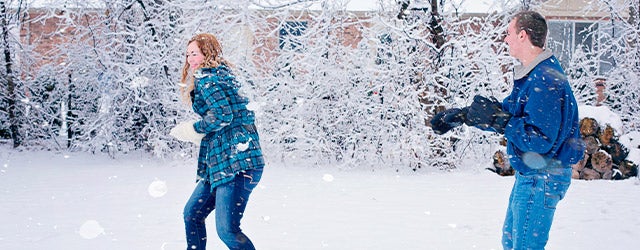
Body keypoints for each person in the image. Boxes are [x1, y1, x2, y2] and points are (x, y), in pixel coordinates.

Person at [430, 11, 585, 249]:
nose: (505, 39)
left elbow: (539, 140)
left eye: (509, 33)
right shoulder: (535, 73)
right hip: (533, 174)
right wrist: (463, 115)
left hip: (541, 177)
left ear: (523, 35)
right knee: (512, 242)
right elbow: (511, 112)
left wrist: (500, 121)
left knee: (522, 246)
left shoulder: (544, 79)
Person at [170, 33, 265, 250]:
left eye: (194, 53)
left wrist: (194, 129)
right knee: (192, 214)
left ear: (207, 52)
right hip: (226, 163)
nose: (190, 59)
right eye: (187, 54)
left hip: (237, 164)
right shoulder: (221, 75)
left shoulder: (208, 77)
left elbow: (222, 115)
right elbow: (232, 117)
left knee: (227, 230)